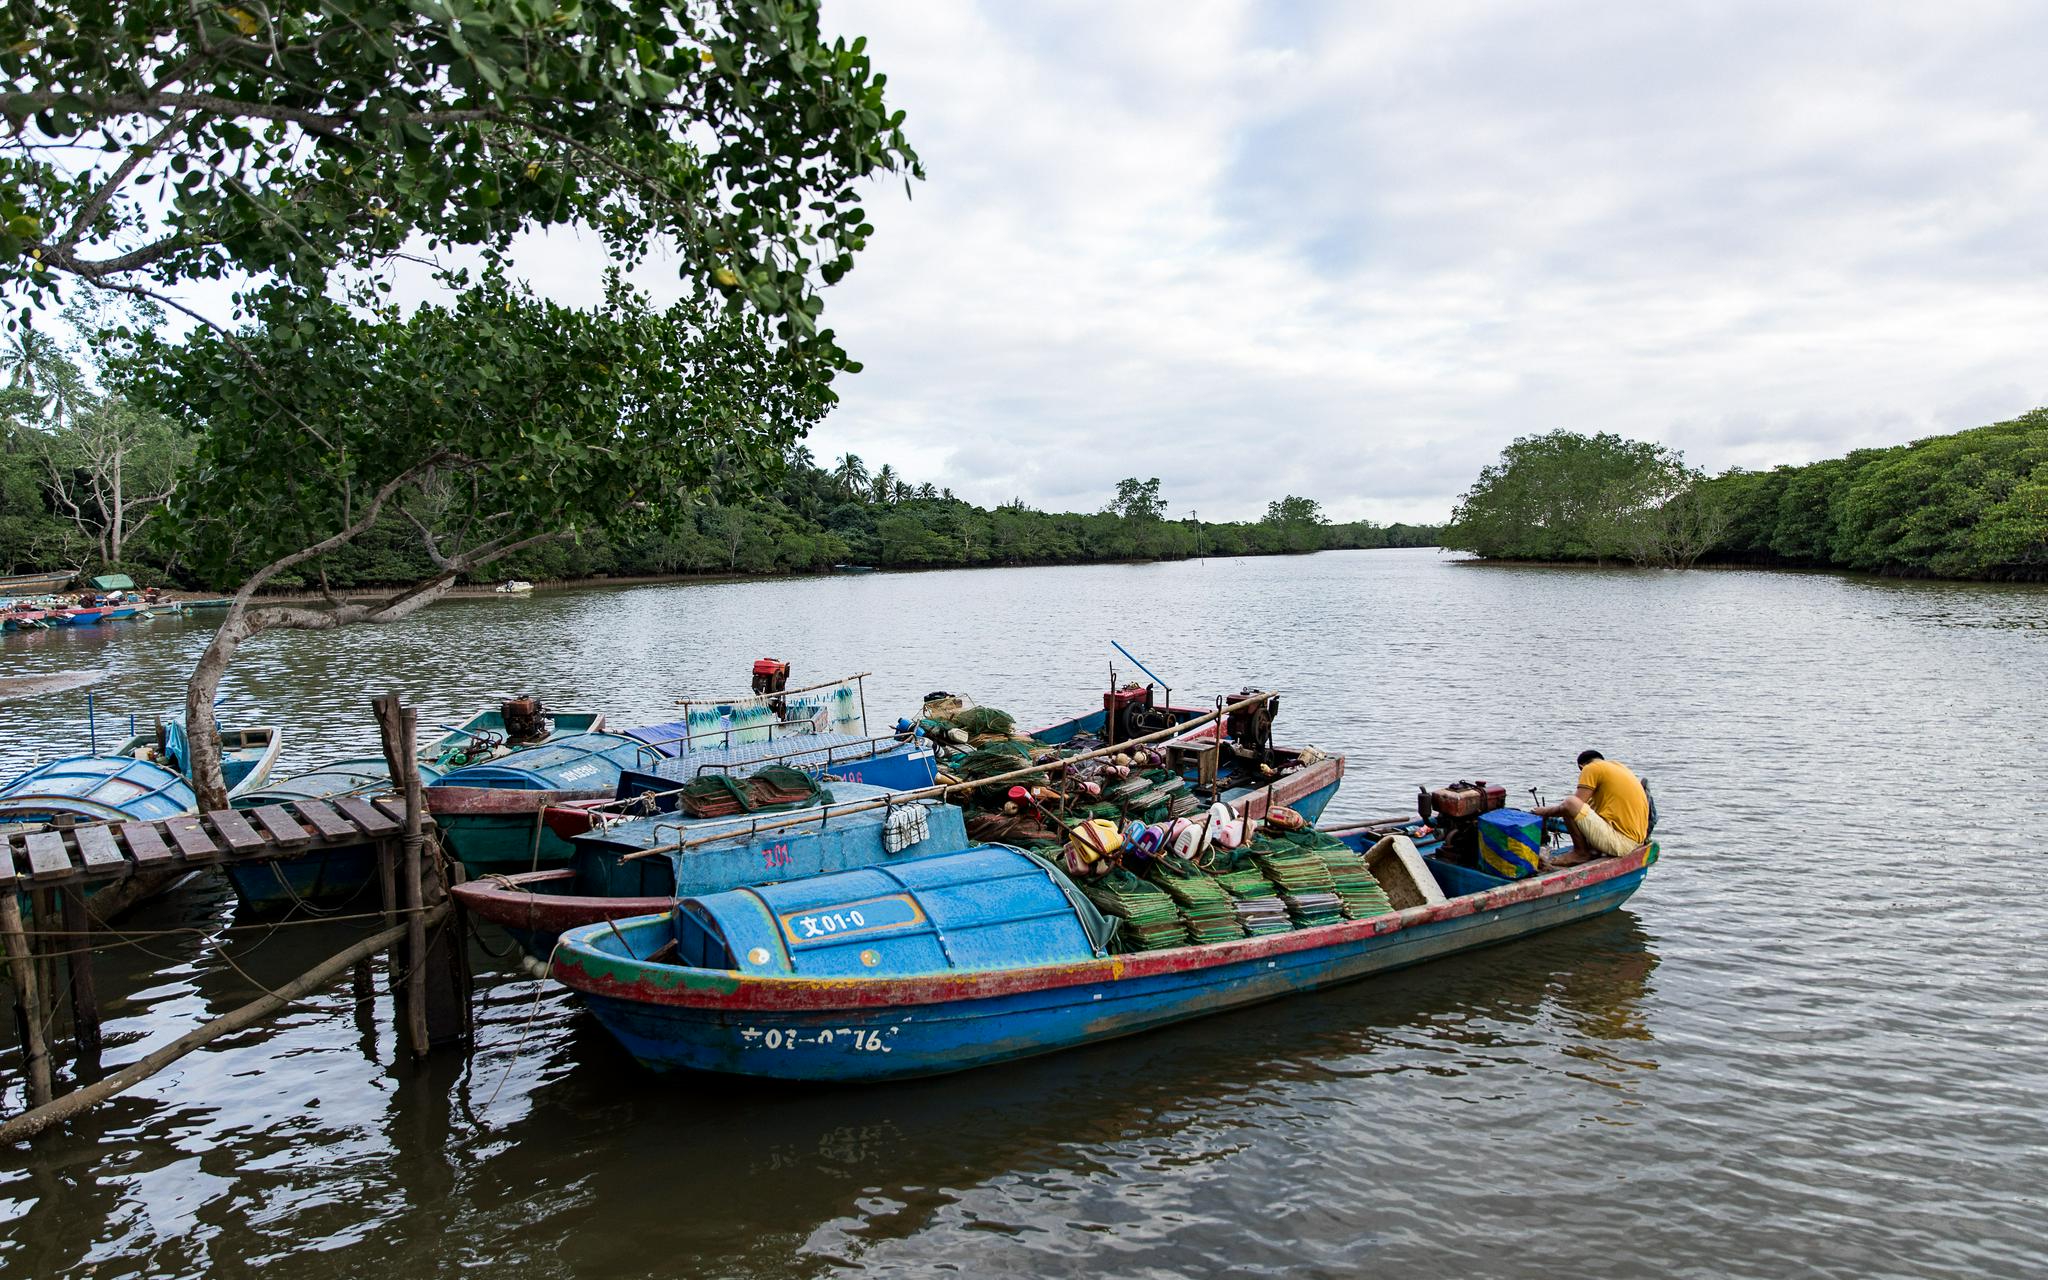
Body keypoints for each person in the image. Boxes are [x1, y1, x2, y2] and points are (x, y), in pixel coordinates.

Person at [1533, 749, 1650, 867]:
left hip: (1621, 844)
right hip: (1635, 842)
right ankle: (1585, 851)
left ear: (1581, 766)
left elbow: (1573, 805)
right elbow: (1586, 808)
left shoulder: (1591, 768)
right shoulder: (1618, 767)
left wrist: (1544, 812)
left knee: (1570, 803)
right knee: (1573, 806)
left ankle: (1581, 853)